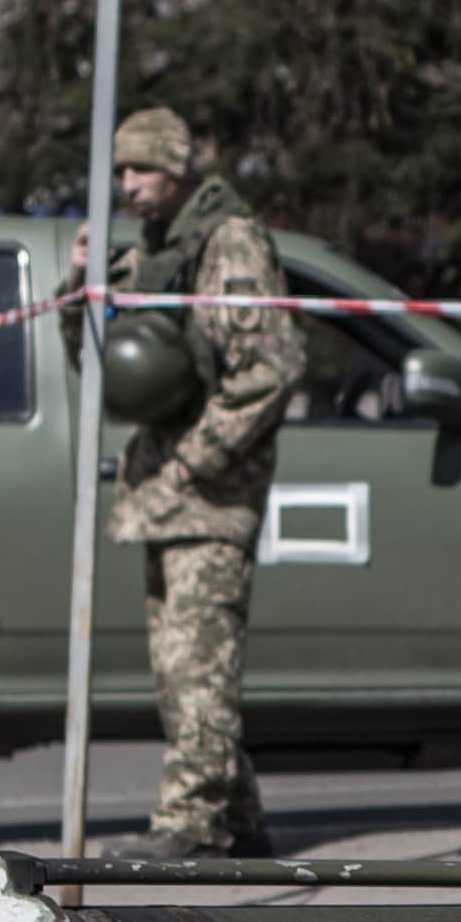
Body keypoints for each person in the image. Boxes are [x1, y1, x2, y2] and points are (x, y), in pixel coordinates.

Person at [102, 106, 302, 857]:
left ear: (179, 168)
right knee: (183, 669)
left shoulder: (229, 243)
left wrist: (196, 461)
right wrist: (77, 286)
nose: (129, 185)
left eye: (143, 169)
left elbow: (270, 367)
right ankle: (241, 819)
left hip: (210, 493)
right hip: (162, 490)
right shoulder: (158, 248)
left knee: (195, 664)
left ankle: (191, 823)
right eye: (121, 171)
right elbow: (111, 357)